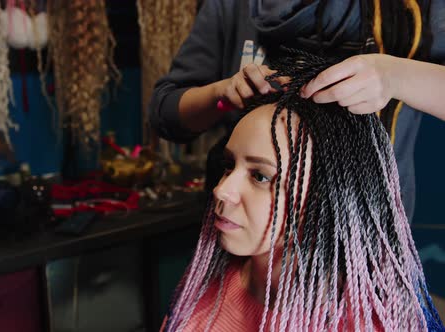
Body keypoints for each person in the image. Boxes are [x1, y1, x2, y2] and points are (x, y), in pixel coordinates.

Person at [160, 51, 444, 331]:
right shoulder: (201, 298)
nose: (222, 190)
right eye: (228, 165)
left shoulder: (374, 323)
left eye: (260, 176)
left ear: (326, 198)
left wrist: (396, 75)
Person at [149, 0, 445, 221]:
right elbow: (165, 115)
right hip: (247, 227)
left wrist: (397, 76)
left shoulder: (419, 9)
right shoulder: (234, 6)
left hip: (365, 232)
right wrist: (222, 95)